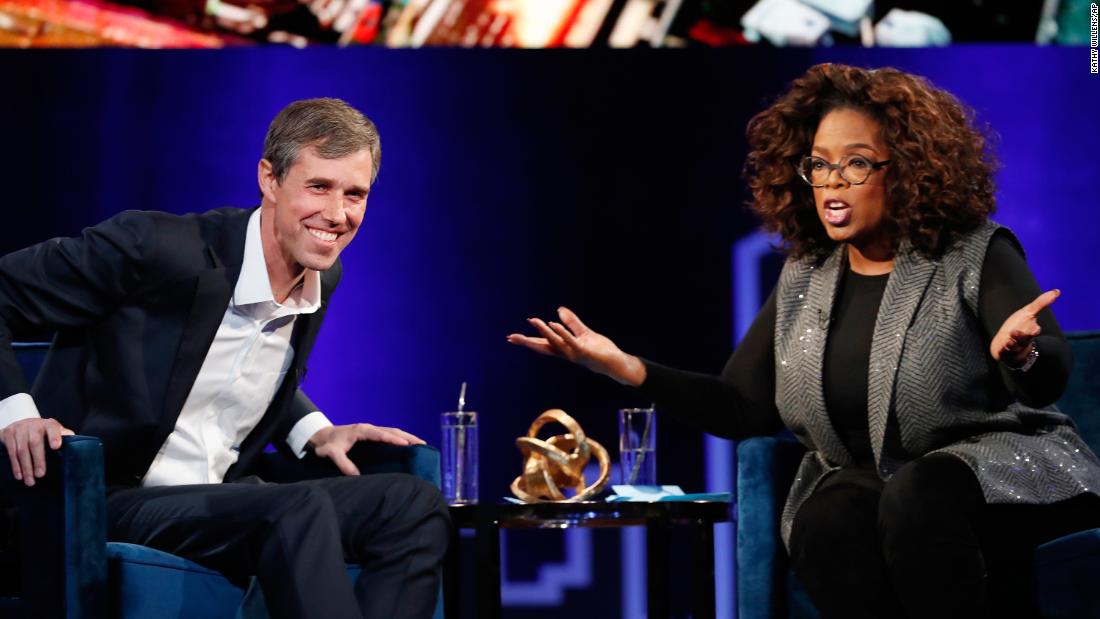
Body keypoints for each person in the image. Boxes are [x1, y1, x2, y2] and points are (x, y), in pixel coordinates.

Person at [507, 64, 1100, 618]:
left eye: (857, 164)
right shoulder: (806, 276)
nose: (832, 183)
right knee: (827, 514)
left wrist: (1023, 354)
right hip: (881, 485)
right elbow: (744, 406)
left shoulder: (975, 252)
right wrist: (628, 367)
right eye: (819, 165)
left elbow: (1049, 380)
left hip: (1004, 475)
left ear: (912, 169)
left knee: (916, 494)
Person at [0, 98, 448, 619]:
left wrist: (313, 430)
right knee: (297, 510)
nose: (338, 214)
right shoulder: (158, 249)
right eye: (319, 187)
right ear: (269, 179)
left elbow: (242, 364)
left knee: (411, 505)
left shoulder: (323, 274)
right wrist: (15, 411)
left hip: (220, 498)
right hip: (105, 497)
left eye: (355, 194)